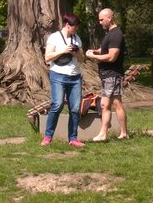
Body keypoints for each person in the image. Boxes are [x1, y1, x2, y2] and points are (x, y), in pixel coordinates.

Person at [42, 13, 85, 148]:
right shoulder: (54, 38)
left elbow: (82, 59)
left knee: (75, 108)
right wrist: (63, 50)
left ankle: (73, 138)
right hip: (58, 75)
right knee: (57, 105)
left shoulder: (76, 38)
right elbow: (47, 58)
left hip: (75, 77)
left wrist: (76, 52)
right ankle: (48, 136)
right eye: (75, 27)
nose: (76, 30)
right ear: (67, 25)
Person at [85, 8, 128, 142]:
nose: (100, 22)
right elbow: (106, 50)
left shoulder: (116, 34)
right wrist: (96, 51)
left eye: (101, 19)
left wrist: (93, 57)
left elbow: (111, 57)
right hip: (107, 75)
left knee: (108, 104)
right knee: (112, 104)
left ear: (109, 18)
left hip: (112, 74)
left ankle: (108, 134)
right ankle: (121, 133)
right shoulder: (110, 33)